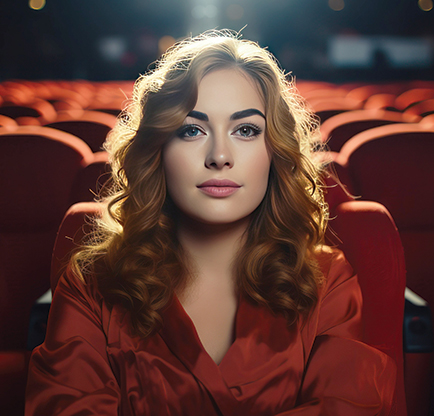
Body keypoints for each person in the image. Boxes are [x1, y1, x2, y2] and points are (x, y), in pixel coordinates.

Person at [25, 30, 396, 415]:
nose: (219, 156)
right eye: (191, 130)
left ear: (275, 153)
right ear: (158, 151)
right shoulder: (92, 281)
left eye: (246, 130)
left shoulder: (327, 279)